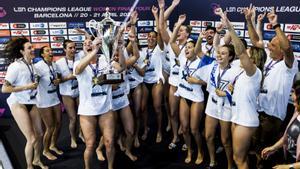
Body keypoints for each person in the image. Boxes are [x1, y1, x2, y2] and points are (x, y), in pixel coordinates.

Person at [245, 6, 298, 169]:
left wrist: (276, 25)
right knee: (254, 145)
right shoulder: (268, 58)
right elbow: (255, 41)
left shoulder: (289, 65)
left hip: (273, 115)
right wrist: (249, 21)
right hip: (258, 110)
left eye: (273, 46)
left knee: (266, 149)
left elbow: (288, 48)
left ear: (281, 50)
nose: (268, 47)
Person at [215, 8, 267, 169]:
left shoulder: (254, 72)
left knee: (240, 160)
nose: (243, 55)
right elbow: (222, 51)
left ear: (253, 59)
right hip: (237, 117)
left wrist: (230, 27)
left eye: (248, 53)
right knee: (238, 158)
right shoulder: (243, 72)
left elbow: (240, 51)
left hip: (245, 120)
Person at [2, 37, 47, 169]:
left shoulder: (32, 65)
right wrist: (26, 87)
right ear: (22, 51)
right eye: (29, 48)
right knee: (32, 138)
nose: (33, 50)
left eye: (32, 47)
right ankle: (29, 166)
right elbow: (5, 88)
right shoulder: (15, 66)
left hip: (31, 102)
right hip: (18, 103)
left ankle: (37, 160)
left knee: (39, 134)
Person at [261, 80, 300, 169]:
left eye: (293, 92)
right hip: (289, 161)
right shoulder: (297, 111)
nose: (291, 96)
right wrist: (273, 148)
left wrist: (287, 167)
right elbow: (287, 136)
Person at [35, 46, 63, 160]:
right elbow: (34, 79)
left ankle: (52, 145)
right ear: (42, 55)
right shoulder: (38, 66)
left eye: (51, 50)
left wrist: (58, 80)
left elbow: (58, 76)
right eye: (47, 51)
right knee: (50, 127)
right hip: (43, 100)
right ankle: (45, 151)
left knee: (59, 123)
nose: (50, 52)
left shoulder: (54, 64)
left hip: (54, 97)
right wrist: (35, 80)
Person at [56, 39, 80, 148]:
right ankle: (73, 138)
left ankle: (81, 133)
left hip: (79, 92)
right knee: (73, 118)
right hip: (67, 93)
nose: (73, 50)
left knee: (82, 116)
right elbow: (57, 81)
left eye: (74, 47)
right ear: (64, 49)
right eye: (70, 48)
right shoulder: (59, 63)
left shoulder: (80, 59)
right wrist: (69, 77)